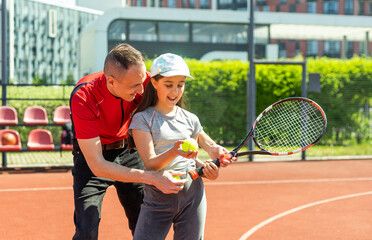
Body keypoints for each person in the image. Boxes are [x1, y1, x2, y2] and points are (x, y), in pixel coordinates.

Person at [69, 44, 188, 240]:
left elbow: (179, 114)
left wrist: (210, 148)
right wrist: (153, 177)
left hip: (128, 151)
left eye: (143, 81)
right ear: (111, 81)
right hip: (93, 159)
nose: (142, 89)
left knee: (144, 222)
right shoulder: (84, 96)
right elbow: (97, 165)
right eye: (134, 86)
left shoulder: (145, 82)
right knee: (86, 229)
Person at [129, 53, 236, 240]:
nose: (175, 91)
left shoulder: (190, 119)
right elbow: (151, 164)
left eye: (180, 85)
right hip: (157, 198)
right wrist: (175, 150)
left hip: (193, 196)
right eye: (168, 85)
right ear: (154, 83)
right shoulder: (142, 119)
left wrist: (212, 165)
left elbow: (205, 152)